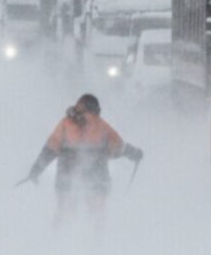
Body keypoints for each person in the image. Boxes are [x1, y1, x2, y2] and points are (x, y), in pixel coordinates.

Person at [24, 94, 143, 229]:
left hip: (66, 176)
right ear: (96, 108)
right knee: (97, 214)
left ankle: (59, 237)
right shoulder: (101, 125)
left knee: (65, 213)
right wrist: (134, 153)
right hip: (97, 177)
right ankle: (96, 239)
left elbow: (50, 149)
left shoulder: (65, 124)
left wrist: (36, 170)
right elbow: (118, 148)